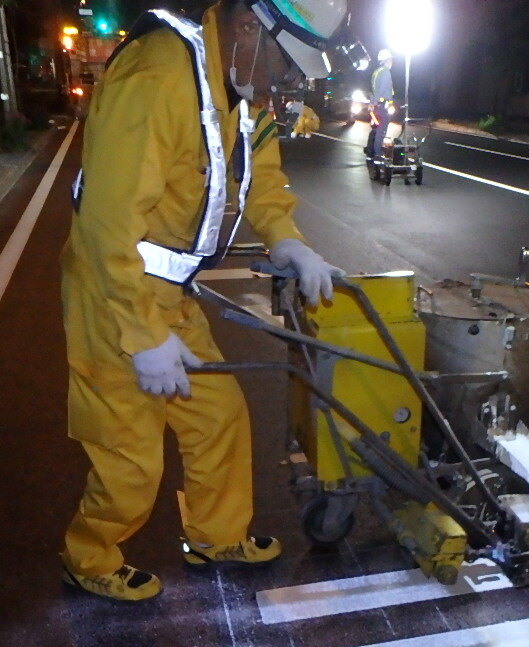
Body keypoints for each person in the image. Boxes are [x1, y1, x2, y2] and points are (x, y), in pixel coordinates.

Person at [60, 0, 347, 601]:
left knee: (217, 416)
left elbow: (261, 180)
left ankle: (216, 536)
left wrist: (289, 242)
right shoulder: (158, 77)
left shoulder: (238, 86)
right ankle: (88, 559)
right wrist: (143, 338)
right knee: (131, 457)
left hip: (169, 296)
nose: (286, 83)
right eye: (286, 65)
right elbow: (106, 230)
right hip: (113, 294)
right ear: (248, 27)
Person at [364, 48, 395, 159]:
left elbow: (373, 90)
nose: (392, 62)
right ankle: (377, 155)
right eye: (391, 59)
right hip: (382, 106)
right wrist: (374, 102)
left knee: (375, 129)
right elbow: (381, 89)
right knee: (381, 131)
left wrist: (372, 103)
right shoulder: (385, 72)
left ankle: (370, 152)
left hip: (377, 106)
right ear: (386, 60)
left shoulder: (376, 72)